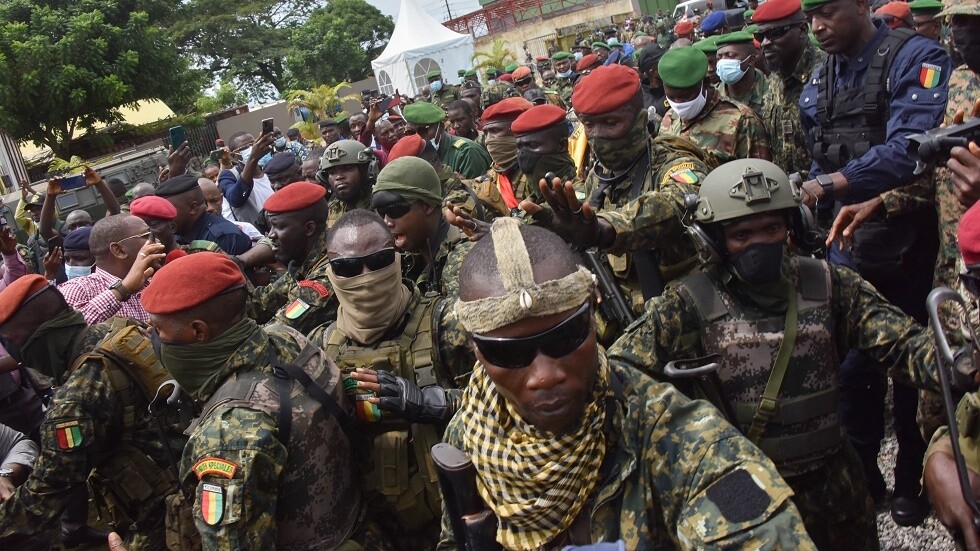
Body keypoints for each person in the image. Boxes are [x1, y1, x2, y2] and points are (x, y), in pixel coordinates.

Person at [608, 159, 948, 550]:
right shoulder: (686, 304)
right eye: (742, 234)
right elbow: (619, 375)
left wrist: (956, 364)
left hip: (831, 483)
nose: (760, 244)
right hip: (740, 485)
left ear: (793, 226)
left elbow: (904, 345)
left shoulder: (828, 284)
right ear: (713, 241)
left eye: (772, 228)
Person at [437, 217, 814, 549]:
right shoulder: (471, 433)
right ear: (475, 350)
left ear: (593, 314)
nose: (545, 375)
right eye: (509, 354)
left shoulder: (682, 443)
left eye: (565, 339)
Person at [799, 0, 952, 523]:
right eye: (811, 16)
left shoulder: (917, 58)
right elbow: (819, 150)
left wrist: (834, 185)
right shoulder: (823, 78)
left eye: (830, 12)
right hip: (848, 247)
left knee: (913, 370)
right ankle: (865, 479)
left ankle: (913, 479)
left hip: (909, 245)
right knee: (854, 371)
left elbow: (913, 148)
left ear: (862, 5)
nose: (819, 26)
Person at [141, 253, 360, 549]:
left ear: (198, 331)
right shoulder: (286, 337)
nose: (153, 337)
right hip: (349, 520)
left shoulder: (227, 436)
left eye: (158, 329)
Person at [310, 210, 474, 549]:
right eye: (349, 268)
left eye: (380, 261)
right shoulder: (319, 347)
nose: (366, 277)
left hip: (445, 523)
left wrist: (430, 402)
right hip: (369, 528)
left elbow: (506, 404)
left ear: (398, 258)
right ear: (330, 270)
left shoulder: (447, 324)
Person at [0, 275, 188, 550]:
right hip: (187, 472)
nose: (14, 356)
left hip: (162, 517)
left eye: (13, 342)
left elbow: (44, 497)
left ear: (42, 334)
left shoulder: (74, 402)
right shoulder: (121, 332)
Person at [519, 64, 711, 328]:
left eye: (611, 123)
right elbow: (581, 206)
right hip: (624, 312)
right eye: (589, 124)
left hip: (687, 313)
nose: (597, 136)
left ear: (641, 120)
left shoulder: (676, 163)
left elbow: (676, 202)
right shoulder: (599, 174)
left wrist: (603, 229)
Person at [371, 157, 472, 296]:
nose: (387, 221)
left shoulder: (464, 258)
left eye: (395, 210)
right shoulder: (405, 258)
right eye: (382, 212)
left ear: (428, 205)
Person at [248, 182, 339, 334]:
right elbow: (261, 303)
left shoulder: (325, 276)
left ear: (309, 228)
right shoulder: (305, 261)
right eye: (270, 227)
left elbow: (271, 336)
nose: (271, 235)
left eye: (279, 227)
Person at [658, 46, 772, 166]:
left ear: (705, 84)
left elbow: (760, 176)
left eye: (685, 97)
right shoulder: (669, 119)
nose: (679, 104)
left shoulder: (743, 121)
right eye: (671, 97)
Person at [753, 0, 827, 177]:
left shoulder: (827, 72)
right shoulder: (773, 80)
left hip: (827, 191)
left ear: (802, 30)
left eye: (775, 33)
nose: (765, 43)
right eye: (760, 36)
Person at [58, 215, 165, 324]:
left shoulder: (154, 283)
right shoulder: (77, 289)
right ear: (119, 250)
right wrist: (123, 289)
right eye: (147, 236)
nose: (157, 242)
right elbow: (67, 330)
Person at [469, 97, 534, 218]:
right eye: (486, 132)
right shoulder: (489, 179)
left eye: (495, 131)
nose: (488, 140)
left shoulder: (537, 172)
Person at [157, 175, 251, 256]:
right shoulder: (179, 235)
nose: (164, 216)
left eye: (169, 210)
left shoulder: (225, 237)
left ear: (193, 208)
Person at [403, 102, 491, 179]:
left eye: (423, 131)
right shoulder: (415, 155)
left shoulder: (466, 153)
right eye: (411, 132)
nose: (418, 137)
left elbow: (477, 193)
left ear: (441, 128)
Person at [219, 132, 276, 231]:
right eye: (244, 148)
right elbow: (235, 199)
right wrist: (252, 158)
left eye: (253, 145)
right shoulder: (229, 176)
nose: (251, 149)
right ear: (233, 156)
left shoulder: (270, 169)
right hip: (262, 236)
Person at [317, 139, 378, 227]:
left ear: (367, 171)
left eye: (347, 169)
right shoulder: (331, 210)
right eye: (332, 173)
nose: (339, 177)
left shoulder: (381, 205)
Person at [715, 31, 769, 120]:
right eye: (719, 57)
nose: (723, 62)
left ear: (751, 60)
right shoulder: (714, 96)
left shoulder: (773, 93)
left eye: (730, 56)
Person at [637, 42, 671, 118]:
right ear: (652, 70)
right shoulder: (640, 98)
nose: (670, 64)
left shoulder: (674, 87)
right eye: (664, 62)